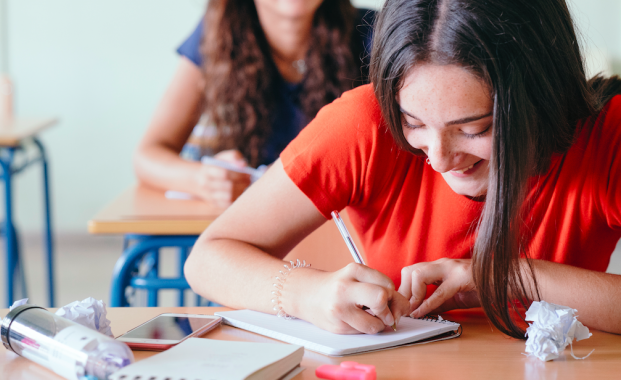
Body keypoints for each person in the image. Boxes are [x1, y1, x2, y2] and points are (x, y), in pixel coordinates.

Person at [185, 0, 621, 339]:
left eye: (474, 129)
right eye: (413, 124)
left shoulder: (608, 135)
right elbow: (208, 258)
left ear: (541, 97)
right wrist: (306, 294)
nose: (439, 159)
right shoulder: (365, 122)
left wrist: (506, 276)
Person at [134, 0, 375, 207]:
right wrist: (204, 179)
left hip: (347, 229)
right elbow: (148, 155)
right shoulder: (217, 33)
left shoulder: (377, 32)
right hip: (257, 230)